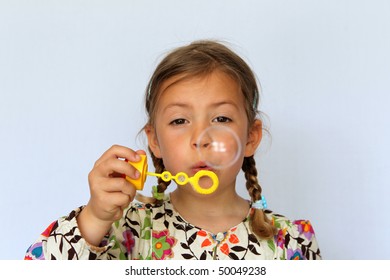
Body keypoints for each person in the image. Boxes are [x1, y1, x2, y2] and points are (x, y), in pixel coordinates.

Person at [24, 40, 321, 260]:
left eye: (221, 118)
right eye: (179, 120)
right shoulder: (126, 231)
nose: (200, 138)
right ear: (155, 141)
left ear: (251, 136)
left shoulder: (291, 240)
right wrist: (95, 217)